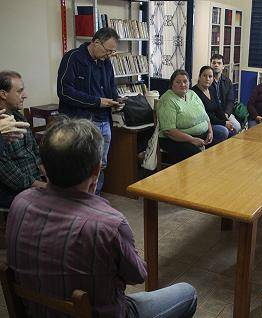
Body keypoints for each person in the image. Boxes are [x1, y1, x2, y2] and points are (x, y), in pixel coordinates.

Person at [6, 118, 197, 317]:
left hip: (36, 312)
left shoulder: (20, 202)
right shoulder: (108, 224)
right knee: (187, 293)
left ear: (43, 167)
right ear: (97, 170)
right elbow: (138, 275)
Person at [57, 27, 122, 195]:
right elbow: (65, 92)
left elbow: (110, 87)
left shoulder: (106, 61)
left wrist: (117, 101)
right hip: (81, 121)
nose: (109, 55)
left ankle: (94, 199)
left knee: (100, 164)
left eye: (112, 52)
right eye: (108, 51)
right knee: (80, 164)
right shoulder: (73, 58)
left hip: (104, 120)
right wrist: (97, 102)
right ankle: (77, 202)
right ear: (96, 42)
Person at [0, 70, 45, 210]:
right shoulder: (2, 127)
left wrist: (46, 173)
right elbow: (5, 170)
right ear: (3, 94)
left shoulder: (18, 116)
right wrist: (42, 186)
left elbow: (34, 151)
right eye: (19, 91)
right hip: (12, 191)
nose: (25, 95)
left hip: (33, 182)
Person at [157, 69, 224, 164]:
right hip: (176, 139)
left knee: (220, 139)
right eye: (178, 82)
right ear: (172, 84)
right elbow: (169, 131)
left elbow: (205, 116)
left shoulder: (192, 94)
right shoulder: (167, 100)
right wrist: (192, 140)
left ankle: (211, 171)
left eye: (185, 81)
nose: (182, 84)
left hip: (199, 134)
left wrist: (210, 131)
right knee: (196, 154)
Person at [192, 66, 235, 142]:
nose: (207, 79)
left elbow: (218, 109)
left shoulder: (211, 89)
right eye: (204, 76)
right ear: (199, 77)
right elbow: (205, 115)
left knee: (233, 131)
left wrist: (227, 121)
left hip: (215, 121)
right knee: (223, 131)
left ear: (213, 78)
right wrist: (224, 123)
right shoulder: (194, 92)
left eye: (210, 76)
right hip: (204, 123)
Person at [209, 54, 241, 132]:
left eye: (219, 63)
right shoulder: (207, 81)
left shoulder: (227, 81)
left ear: (223, 66)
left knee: (237, 126)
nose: (216, 65)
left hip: (224, 112)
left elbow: (230, 100)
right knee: (224, 130)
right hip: (212, 114)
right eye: (214, 63)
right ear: (210, 65)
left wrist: (226, 114)